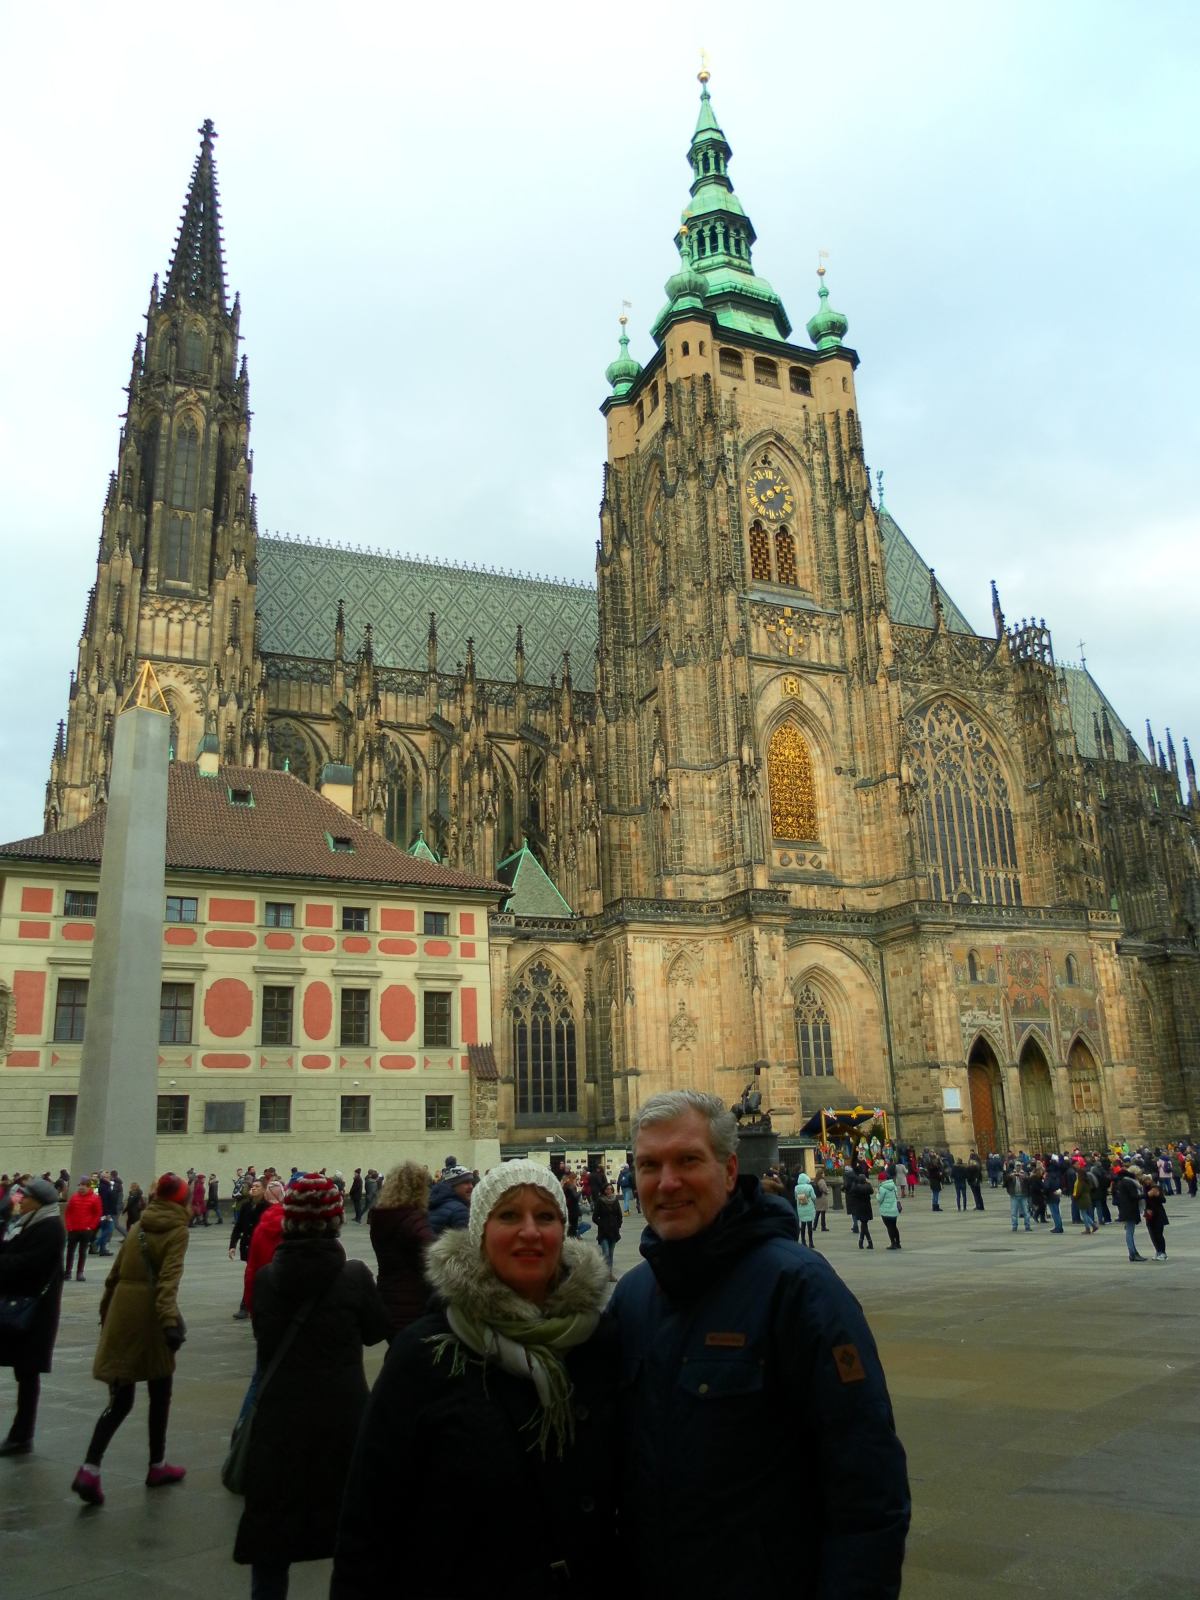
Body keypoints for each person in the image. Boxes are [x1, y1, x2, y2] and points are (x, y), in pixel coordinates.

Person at [607, 1091, 909, 1597]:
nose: (667, 1182)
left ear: (729, 1171)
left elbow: (868, 1487)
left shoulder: (800, 1288)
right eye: (649, 1165)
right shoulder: (633, 1297)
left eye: (688, 1161)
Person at [332, 1161, 618, 1597]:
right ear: (479, 1233)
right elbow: (368, 1524)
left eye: (545, 1216)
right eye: (508, 1215)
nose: (529, 1231)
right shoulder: (423, 1354)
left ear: (564, 1231)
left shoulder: (600, 1340)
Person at [233, 1173, 389, 1600]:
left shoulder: (266, 1281)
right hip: (343, 1424)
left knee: (271, 1542)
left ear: (289, 1221)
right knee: (352, 1540)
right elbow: (377, 1331)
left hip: (279, 1425)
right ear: (335, 1222)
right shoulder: (354, 1276)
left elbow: (264, 1337)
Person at [71, 1173, 190, 1505]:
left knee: (119, 1401)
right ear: (182, 1201)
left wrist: (106, 1315)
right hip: (152, 1318)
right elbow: (168, 1280)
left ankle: (89, 1469)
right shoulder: (178, 1231)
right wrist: (169, 1321)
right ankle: (157, 1466)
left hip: (122, 1314)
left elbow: (113, 1276)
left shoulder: (138, 1226)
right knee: (160, 1392)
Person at [0, 1176, 65, 1455]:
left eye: (25, 1196)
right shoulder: (26, 1222)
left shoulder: (49, 1228)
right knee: (24, 1372)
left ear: (38, 1201)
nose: (20, 1199)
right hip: (19, 1306)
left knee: (27, 1374)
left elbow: (25, 1264)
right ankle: (21, 1435)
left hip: (32, 1312)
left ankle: (22, 1435)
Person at [368, 1161, 435, 1335]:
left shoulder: (381, 1218)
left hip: (387, 1296)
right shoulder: (414, 1219)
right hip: (414, 1302)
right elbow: (434, 1258)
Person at [243, 1180, 287, 1315]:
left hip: (265, 1292)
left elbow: (251, 1270)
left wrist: (250, 1304)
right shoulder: (297, 1226)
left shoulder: (260, 1229)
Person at [230, 1180, 267, 1319]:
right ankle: (246, 1305)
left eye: (257, 1186)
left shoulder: (268, 1207)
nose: (254, 1188)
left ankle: (246, 1305)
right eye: (253, 1186)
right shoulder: (246, 1206)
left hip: (261, 1248)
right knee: (250, 1275)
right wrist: (232, 1245)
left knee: (256, 1276)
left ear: (264, 1190)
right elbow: (238, 1226)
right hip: (247, 1246)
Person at [64, 1177, 102, 1282]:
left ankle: (79, 1272)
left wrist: (91, 1227)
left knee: (82, 1252)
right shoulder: (74, 1197)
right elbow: (68, 1212)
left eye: (84, 1186)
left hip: (86, 1230)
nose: (81, 1188)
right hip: (73, 1229)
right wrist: (69, 1226)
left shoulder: (95, 1198)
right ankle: (68, 1272)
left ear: (88, 1187)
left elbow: (97, 1213)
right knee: (70, 1252)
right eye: (80, 1185)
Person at [427, 1166, 475, 1234]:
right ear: (453, 1184)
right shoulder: (460, 1210)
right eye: (466, 1182)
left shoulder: (433, 1202)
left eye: (471, 1182)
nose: (471, 1186)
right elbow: (463, 1240)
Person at [1113, 1163, 1145, 1261]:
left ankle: (1133, 1252)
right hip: (1130, 1208)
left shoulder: (1123, 1181)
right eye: (1138, 1174)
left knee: (1129, 1230)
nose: (1139, 1177)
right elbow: (1133, 1196)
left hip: (1126, 1208)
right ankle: (1132, 1253)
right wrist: (1146, 1195)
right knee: (1130, 1231)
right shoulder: (1129, 1182)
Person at [591, 1181, 623, 1280]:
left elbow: (619, 1214)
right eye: (607, 1189)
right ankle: (604, 1273)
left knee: (611, 1253)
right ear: (604, 1190)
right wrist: (602, 1224)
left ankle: (609, 1273)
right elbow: (594, 1217)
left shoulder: (615, 1200)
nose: (609, 1191)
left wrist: (618, 1225)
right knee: (606, 1253)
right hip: (604, 1231)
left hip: (614, 1231)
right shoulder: (600, 1201)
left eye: (611, 1189)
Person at [848, 1167, 875, 1249]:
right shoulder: (868, 1186)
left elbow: (852, 1191)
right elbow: (871, 1191)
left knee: (864, 1225)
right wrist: (867, 1182)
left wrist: (855, 1183)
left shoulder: (857, 1187)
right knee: (864, 1225)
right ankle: (862, 1242)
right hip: (867, 1208)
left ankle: (867, 1242)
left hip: (859, 1207)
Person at [1143, 1178, 1169, 1260]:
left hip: (1158, 1215)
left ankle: (1163, 1252)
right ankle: (1158, 1251)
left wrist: (1157, 1195)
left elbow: (1163, 1200)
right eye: (1145, 1180)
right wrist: (1146, 1209)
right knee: (1152, 1235)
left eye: (1148, 1179)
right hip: (1149, 1216)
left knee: (1158, 1234)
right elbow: (1143, 1202)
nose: (1147, 1181)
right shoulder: (1143, 1190)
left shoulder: (1155, 1187)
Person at [876, 1168, 902, 1249]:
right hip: (894, 1209)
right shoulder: (893, 1186)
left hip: (885, 1210)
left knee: (889, 1227)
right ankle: (898, 1242)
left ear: (881, 1180)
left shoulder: (882, 1188)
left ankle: (893, 1243)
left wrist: (877, 1193)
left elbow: (879, 1199)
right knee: (894, 1226)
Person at [1004, 1161, 1032, 1232]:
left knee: (1026, 1211)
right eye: (1017, 1166)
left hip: (1023, 1195)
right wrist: (1009, 1177)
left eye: (1019, 1166)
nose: (1018, 1167)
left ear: (1021, 1166)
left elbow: (1030, 1182)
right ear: (1015, 1166)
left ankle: (1027, 1225)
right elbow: (1005, 1183)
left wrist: (1025, 1178)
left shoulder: (1024, 1173)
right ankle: (1014, 1226)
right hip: (1014, 1195)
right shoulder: (1011, 1173)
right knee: (1014, 1212)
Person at [795, 1169, 817, 1248]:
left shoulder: (796, 1188)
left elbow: (796, 1197)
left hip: (800, 1206)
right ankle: (811, 1242)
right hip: (809, 1206)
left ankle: (803, 1241)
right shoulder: (809, 1187)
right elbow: (814, 1197)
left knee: (802, 1225)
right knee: (809, 1225)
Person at [1073, 1166, 1097, 1235]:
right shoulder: (1086, 1181)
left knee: (1084, 1214)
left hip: (1082, 1199)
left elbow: (1079, 1191)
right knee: (1085, 1213)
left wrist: (1076, 1196)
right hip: (1086, 1197)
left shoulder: (1080, 1181)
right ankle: (1093, 1225)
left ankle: (1087, 1228)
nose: (1076, 1174)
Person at [1043, 1160, 1064, 1233]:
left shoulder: (1048, 1178)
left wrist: (1045, 1193)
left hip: (1050, 1196)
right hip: (1056, 1195)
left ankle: (1058, 1227)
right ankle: (1060, 1226)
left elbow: (1046, 1186)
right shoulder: (1056, 1177)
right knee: (1057, 1212)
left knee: (1054, 1213)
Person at [561, 1168, 581, 1237]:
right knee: (573, 1227)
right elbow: (576, 1197)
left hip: (568, 1208)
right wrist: (580, 1191)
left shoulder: (566, 1186)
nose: (577, 1181)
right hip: (573, 1209)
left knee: (570, 1227)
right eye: (576, 1179)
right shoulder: (571, 1187)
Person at [813, 1167, 831, 1231]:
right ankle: (823, 1226)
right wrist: (827, 1191)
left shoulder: (815, 1181)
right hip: (822, 1197)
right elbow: (825, 1189)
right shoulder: (821, 1181)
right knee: (823, 1213)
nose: (824, 1174)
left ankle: (814, 1226)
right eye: (823, 1173)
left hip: (817, 1198)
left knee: (817, 1213)